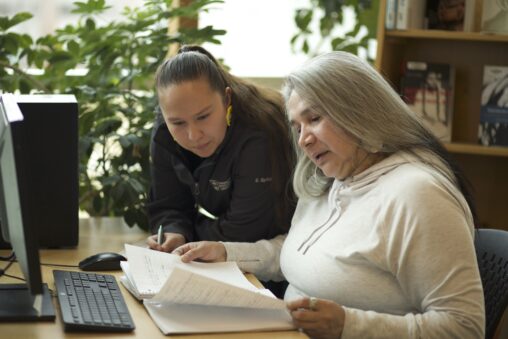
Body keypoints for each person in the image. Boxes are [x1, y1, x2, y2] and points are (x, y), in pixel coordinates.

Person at [172, 51, 485, 338]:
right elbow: (297, 256)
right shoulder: (332, 176)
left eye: (315, 119)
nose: (304, 140)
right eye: (297, 127)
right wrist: (228, 253)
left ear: (360, 112)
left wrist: (349, 325)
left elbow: (464, 326)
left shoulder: (418, 195)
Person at [146, 46, 296, 261]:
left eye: (203, 116)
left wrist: (188, 239)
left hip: (279, 261)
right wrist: (175, 232)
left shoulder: (259, 133)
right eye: (178, 122)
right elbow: (167, 204)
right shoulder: (164, 131)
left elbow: (244, 233)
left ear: (227, 99)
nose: (193, 135)